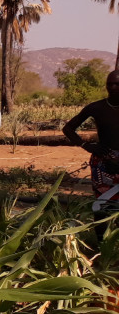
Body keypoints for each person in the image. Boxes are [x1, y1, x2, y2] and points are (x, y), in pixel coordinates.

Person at [64, 71, 119, 222]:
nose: (113, 87)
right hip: (103, 162)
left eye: (117, 84)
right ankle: (102, 243)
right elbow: (68, 129)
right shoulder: (96, 108)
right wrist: (87, 146)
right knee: (102, 205)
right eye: (110, 84)